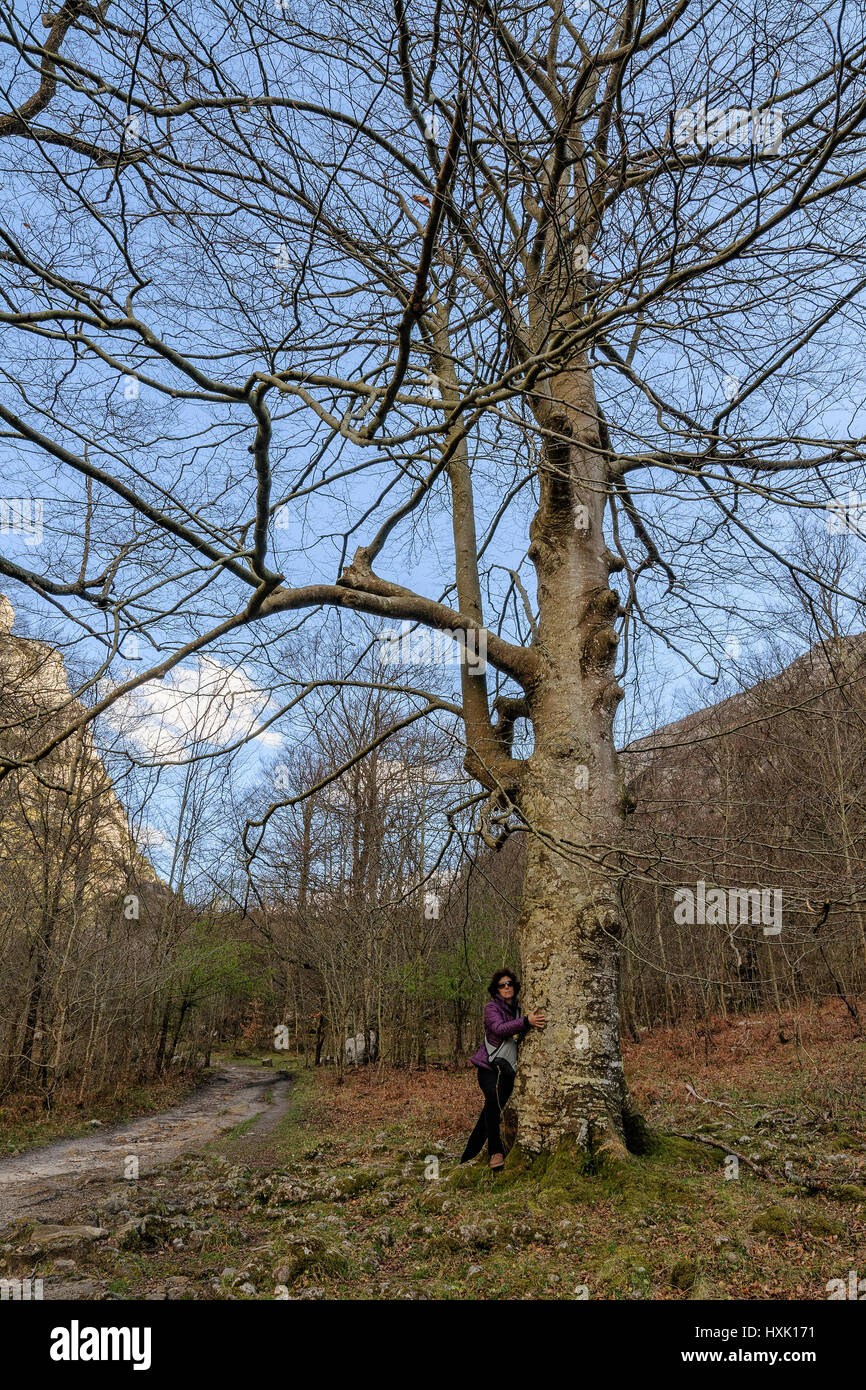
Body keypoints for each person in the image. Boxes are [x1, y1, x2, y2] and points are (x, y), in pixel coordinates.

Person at [460, 968, 546, 1169]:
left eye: (509, 984)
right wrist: (526, 1022)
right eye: (502, 985)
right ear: (496, 989)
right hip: (489, 1068)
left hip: (508, 1070)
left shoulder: (518, 1008)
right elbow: (499, 1029)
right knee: (493, 1103)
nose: (506, 987)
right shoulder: (491, 1008)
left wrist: (524, 1019)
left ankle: (468, 1156)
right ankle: (495, 1153)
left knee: (487, 1115)